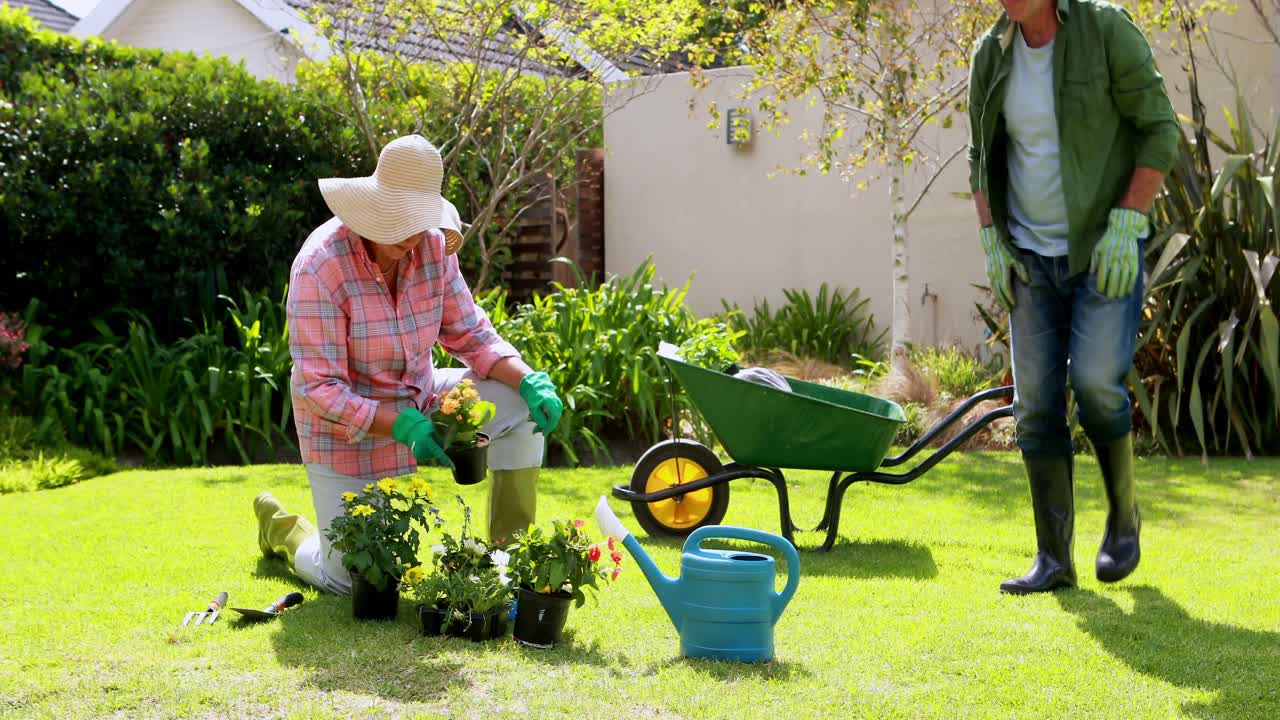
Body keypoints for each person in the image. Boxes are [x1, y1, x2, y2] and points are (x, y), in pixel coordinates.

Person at [252, 134, 563, 594]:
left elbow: (469, 333)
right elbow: (320, 389)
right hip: (347, 433)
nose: (416, 235)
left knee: (519, 407)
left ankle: (507, 560)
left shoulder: (432, 247)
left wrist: (529, 379)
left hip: (423, 397)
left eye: (421, 220)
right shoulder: (321, 267)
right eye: (403, 221)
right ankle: (284, 529)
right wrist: (401, 428)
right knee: (357, 580)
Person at [967, 0, 1177, 593]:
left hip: (1102, 247)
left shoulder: (1104, 30)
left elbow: (1159, 127)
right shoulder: (992, 53)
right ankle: (1053, 560)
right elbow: (980, 156)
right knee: (1034, 403)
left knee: (1092, 382)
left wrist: (1129, 218)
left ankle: (1124, 517)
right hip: (1028, 258)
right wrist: (990, 236)